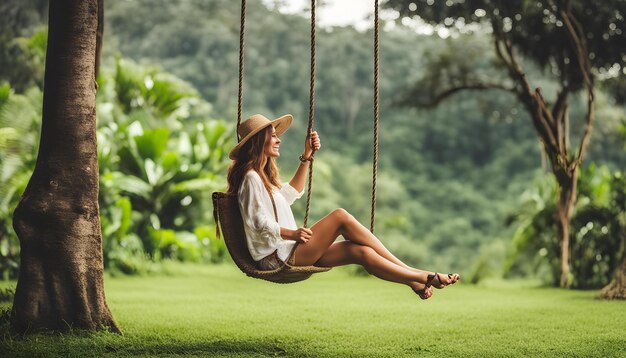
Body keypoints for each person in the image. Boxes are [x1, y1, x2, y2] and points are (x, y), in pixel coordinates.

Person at [227, 114, 459, 299]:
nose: (279, 140)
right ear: (259, 142)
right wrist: (293, 233)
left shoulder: (262, 176)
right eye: (274, 136)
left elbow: (291, 193)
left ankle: (414, 279)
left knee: (361, 252)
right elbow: (257, 221)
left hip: (289, 250)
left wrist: (306, 156)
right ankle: (419, 274)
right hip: (278, 257)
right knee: (340, 216)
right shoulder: (251, 178)